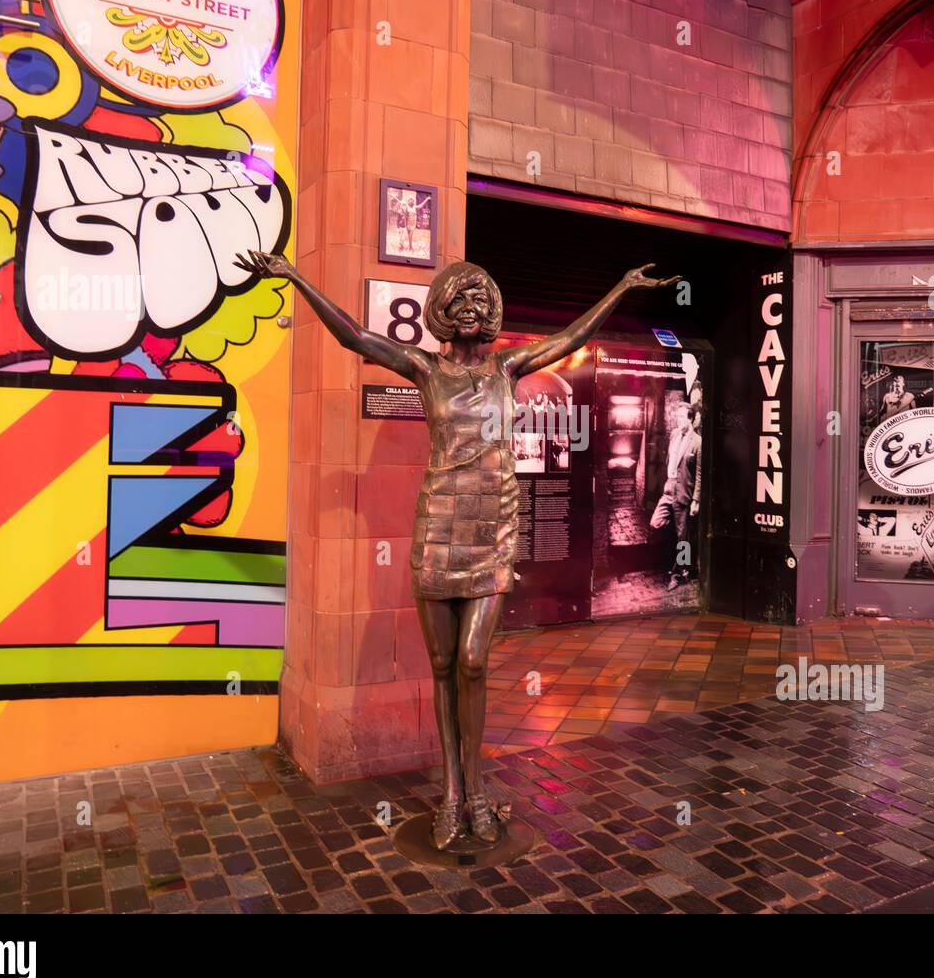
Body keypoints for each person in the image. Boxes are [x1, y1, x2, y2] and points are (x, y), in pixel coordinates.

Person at [237, 249, 678, 850]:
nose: (469, 309)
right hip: (439, 527)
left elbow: (573, 334)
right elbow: (357, 337)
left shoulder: (509, 366)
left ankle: (476, 787)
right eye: (458, 301)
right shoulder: (426, 370)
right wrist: (296, 279)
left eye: (479, 300)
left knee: (472, 661)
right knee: (442, 667)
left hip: (492, 529)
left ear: (490, 312)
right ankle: (454, 795)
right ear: (443, 312)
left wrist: (622, 286)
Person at [650, 402, 702, 591]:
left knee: (683, 537)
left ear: (690, 419)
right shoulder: (673, 435)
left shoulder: (697, 442)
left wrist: (696, 500)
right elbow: (669, 460)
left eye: (682, 417)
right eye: (677, 416)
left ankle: (679, 573)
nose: (678, 420)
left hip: (684, 494)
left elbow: (699, 474)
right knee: (656, 522)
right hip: (669, 488)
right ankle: (682, 565)